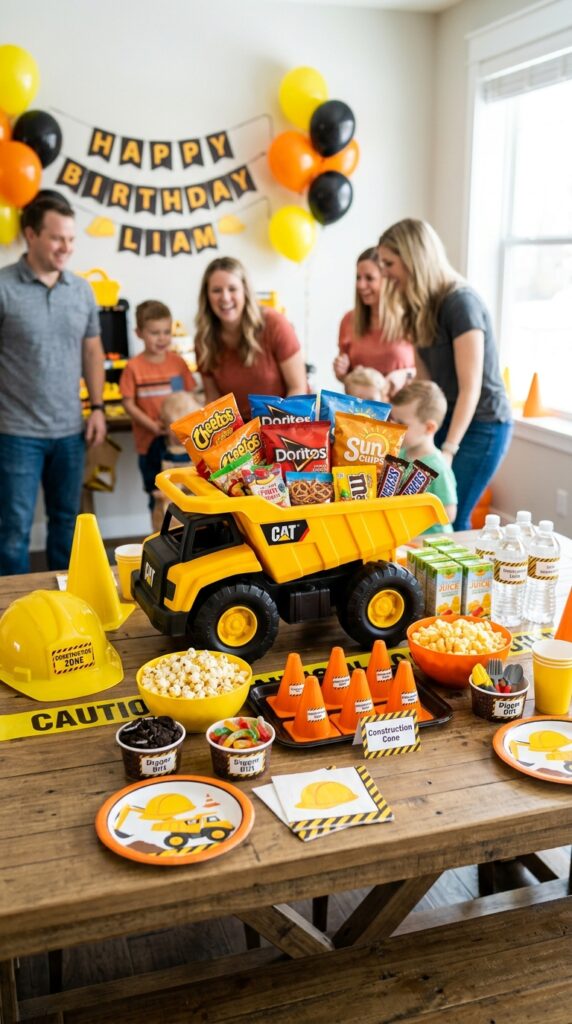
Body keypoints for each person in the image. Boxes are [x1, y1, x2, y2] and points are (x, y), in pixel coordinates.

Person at [378, 219, 513, 530]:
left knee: (453, 512)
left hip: (482, 423)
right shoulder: (419, 308)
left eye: (389, 263)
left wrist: (448, 450)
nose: (384, 272)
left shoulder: (461, 304)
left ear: (413, 259)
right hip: (443, 417)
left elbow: (470, 388)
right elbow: (426, 385)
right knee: (423, 513)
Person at [0, 192, 107, 575]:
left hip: (70, 432)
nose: (67, 247)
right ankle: (11, 606)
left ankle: (66, 601)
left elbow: (92, 352)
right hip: (15, 433)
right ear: (31, 235)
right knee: (13, 531)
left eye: (71, 239)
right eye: (57, 238)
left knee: (67, 525)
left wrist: (97, 408)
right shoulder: (4, 287)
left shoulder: (81, 290)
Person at [195, 256, 307, 420]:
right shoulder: (203, 340)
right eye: (216, 290)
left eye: (232, 289)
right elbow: (213, 401)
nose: (225, 297)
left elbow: (298, 388)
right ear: (207, 296)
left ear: (245, 292)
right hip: (239, 432)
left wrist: (274, 428)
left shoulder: (274, 323)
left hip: (283, 422)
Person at [120, 300, 197, 524]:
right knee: (158, 495)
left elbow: (188, 396)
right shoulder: (133, 367)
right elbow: (128, 404)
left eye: (166, 332)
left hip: (179, 443)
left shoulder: (178, 363)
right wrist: (152, 426)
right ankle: (159, 531)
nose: (162, 338)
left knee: (187, 492)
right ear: (139, 333)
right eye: (154, 333)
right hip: (151, 443)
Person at [333, 247, 415, 398]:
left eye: (369, 278)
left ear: (387, 279)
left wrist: (405, 375)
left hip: (400, 409)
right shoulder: (348, 320)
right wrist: (341, 372)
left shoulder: (410, 320)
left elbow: (427, 373)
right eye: (358, 278)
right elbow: (347, 379)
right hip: (360, 410)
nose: (360, 285)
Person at [391, 380, 457, 533]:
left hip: (431, 542)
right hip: (406, 537)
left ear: (429, 427)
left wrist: (414, 512)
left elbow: (449, 514)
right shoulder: (400, 455)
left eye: (401, 423)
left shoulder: (438, 467)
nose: (394, 428)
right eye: (393, 419)